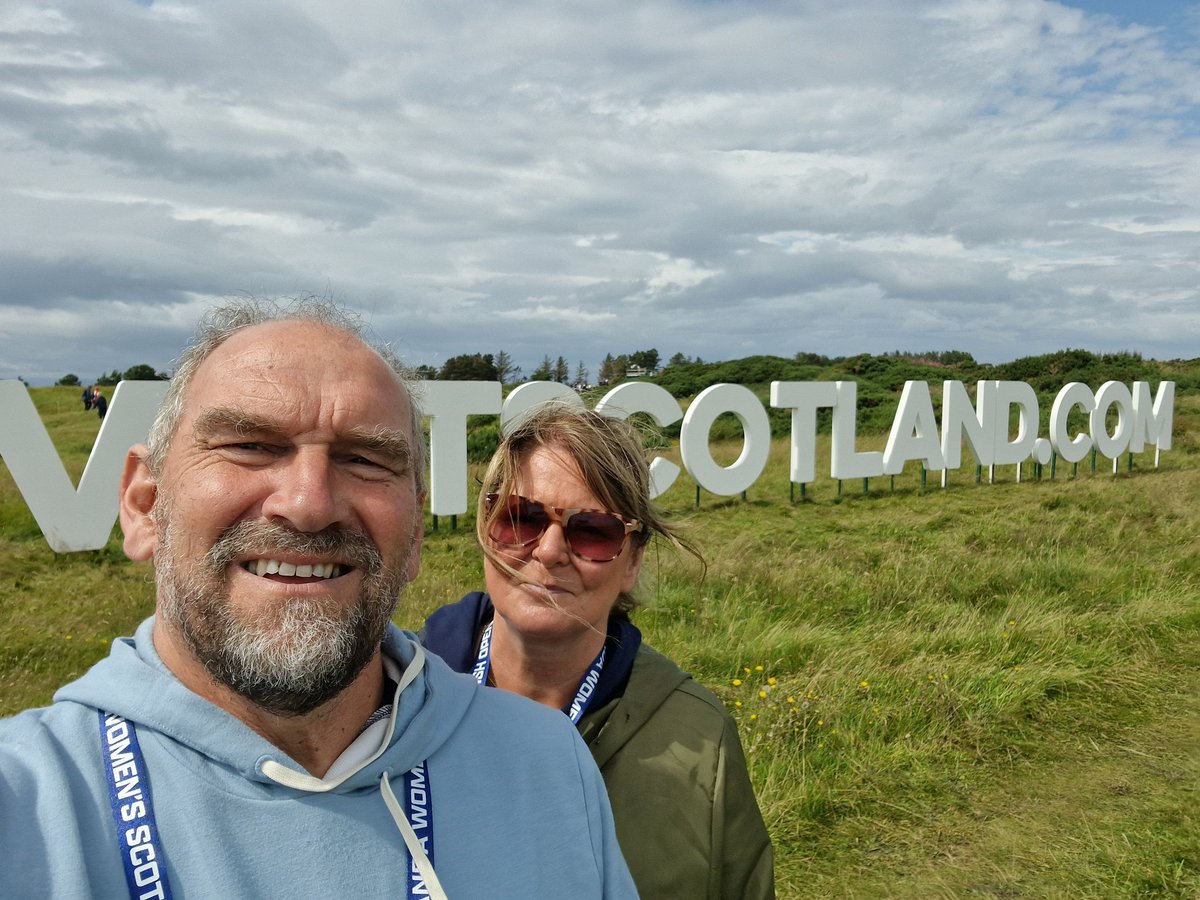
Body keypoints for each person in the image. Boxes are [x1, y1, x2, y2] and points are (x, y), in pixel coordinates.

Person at [0, 299, 636, 899]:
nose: (309, 504)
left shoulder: (550, 765)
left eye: (364, 459)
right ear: (145, 506)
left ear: (414, 533)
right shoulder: (25, 803)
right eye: (249, 446)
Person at [423, 403, 775, 899]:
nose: (548, 551)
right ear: (486, 528)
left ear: (632, 561)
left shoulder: (698, 738)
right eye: (520, 518)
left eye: (592, 530)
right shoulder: (386, 699)